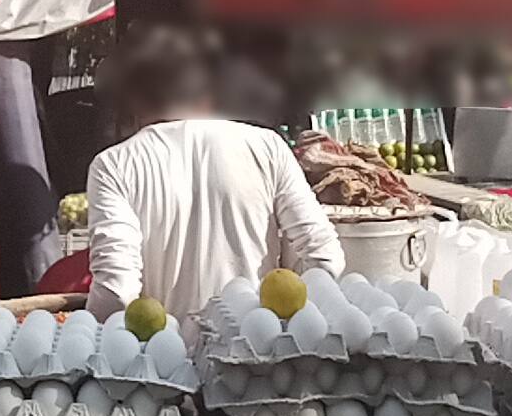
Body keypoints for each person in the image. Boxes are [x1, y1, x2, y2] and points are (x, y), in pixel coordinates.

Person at [86, 27, 345, 321]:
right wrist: (287, 325)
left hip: (160, 360)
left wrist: (102, 339)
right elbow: (325, 257)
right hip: (251, 354)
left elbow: (116, 290)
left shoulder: (114, 165)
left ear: (136, 99)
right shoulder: (267, 147)